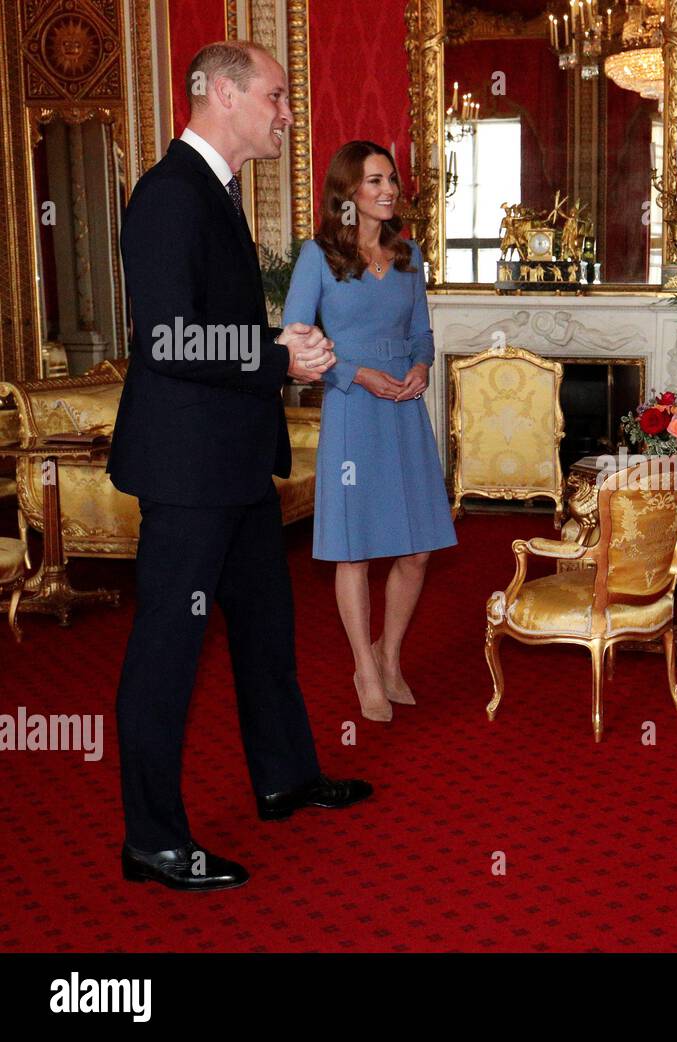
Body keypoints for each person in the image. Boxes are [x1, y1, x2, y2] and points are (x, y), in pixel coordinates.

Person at [109, 41, 372, 893]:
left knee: (265, 632)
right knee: (168, 654)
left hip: (234, 462)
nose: (287, 111)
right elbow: (166, 339)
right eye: (275, 94)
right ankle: (151, 840)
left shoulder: (214, 192)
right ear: (222, 93)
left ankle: (284, 777)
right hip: (187, 473)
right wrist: (275, 354)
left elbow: (207, 328)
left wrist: (276, 347)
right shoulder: (169, 195)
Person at [283, 141, 457, 724]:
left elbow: (421, 333)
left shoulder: (409, 256)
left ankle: (390, 653)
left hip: (404, 409)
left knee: (417, 548)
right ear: (348, 192)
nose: (388, 190)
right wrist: (355, 374)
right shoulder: (319, 257)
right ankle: (363, 665)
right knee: (354, 550)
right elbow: (295, 340)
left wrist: (420, 369)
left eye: (391, 180)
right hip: (353, 408)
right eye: (374, 181)